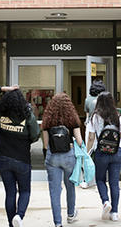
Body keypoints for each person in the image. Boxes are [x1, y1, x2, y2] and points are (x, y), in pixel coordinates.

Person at [0, 85, 40, 227]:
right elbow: (35, 135)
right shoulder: (27, 114)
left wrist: (4, 88)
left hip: (4, 158)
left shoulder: (0, 112)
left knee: (10, 193)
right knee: (25, 191)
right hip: (22, 159)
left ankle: (11, 224)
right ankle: (19, 216)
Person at [86, 91, 121, 222]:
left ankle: (106, 202)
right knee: (114, 183)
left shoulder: (95, 117)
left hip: (101, 153)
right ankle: (115, 213)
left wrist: (87, 154)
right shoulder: (118, 117)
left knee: (100, 180)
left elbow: (90, 138)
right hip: (116, 153)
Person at [41, 93, 83, 227]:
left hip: (53, 156)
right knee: (70, 186)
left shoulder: (47, 121)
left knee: (54, 191)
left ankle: (58, 223)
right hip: (69, 156)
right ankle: (71, 215)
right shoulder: (73, 119)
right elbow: (80, 141)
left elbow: (46, 145)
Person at [81, 80, 106, 188]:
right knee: (102, 154)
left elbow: (87, 116)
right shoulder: (105, 100)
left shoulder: (88, 100)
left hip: (91, 128)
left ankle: (89, 180)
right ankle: (101, 181)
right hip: (102, 129)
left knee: (89, 154)